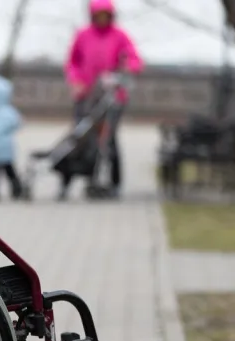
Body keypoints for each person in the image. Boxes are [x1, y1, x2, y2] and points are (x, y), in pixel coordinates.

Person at [60, 0, 144, 200]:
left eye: (106, 15)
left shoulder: (120, 36)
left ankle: (114, 183)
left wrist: (126, 70)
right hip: (87, 96)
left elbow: (134, 60)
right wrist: (76, 81)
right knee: (79, 137)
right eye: (99, 15)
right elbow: (72, 63)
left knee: (108, 139)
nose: (102, 19)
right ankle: (68, 181)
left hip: (111, 98)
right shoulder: (83, 35)